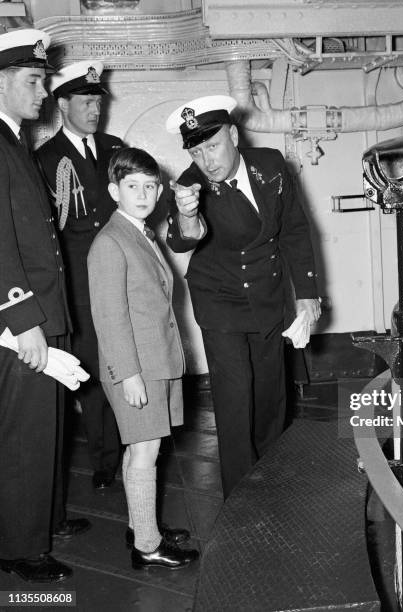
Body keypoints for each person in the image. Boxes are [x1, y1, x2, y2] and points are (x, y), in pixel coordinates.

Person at [165, 95, 321, 498]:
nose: (207, 160)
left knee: (271, 395)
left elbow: (295, 229)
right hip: (221, 303)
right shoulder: (189, 186)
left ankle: (273, 477)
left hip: (268, 296)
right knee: (236, 401)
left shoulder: (270, 166)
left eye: (212, 145)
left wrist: (307, 294)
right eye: (196, 151)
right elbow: (182, 240)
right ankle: (240, 497)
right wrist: (186, 215)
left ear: (233, 135)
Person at [88, 147, 198, 569]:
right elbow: (109, 318)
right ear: (115, 190)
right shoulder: (110, 242)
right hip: (138, 367)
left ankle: (143, 526)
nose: (143, 194)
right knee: (144, 452)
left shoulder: (140, 232)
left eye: (150, 186)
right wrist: (128, 375)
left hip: (156, 361)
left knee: (147, 450)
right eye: (132, 186)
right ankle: (148, 547)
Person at [0, 28, 73, 583]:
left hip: (42, 313)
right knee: (23, 434)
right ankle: (20, 546)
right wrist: (21, 318)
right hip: (23, 318)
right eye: (33, 80)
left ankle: (40, 521)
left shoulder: (13, 142)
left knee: (43, 427)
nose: (43, 91)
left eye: (44, 80)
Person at [36, 60, 122, 493]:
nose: (94, 109)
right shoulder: (45, 159)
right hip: (81, 286)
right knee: (91, 372)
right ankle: (106, 459)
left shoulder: (115, 149)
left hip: (122, 278)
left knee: (129, 363)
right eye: (86, 101)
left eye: (97, 101)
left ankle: (135, 448)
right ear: (62, 104)